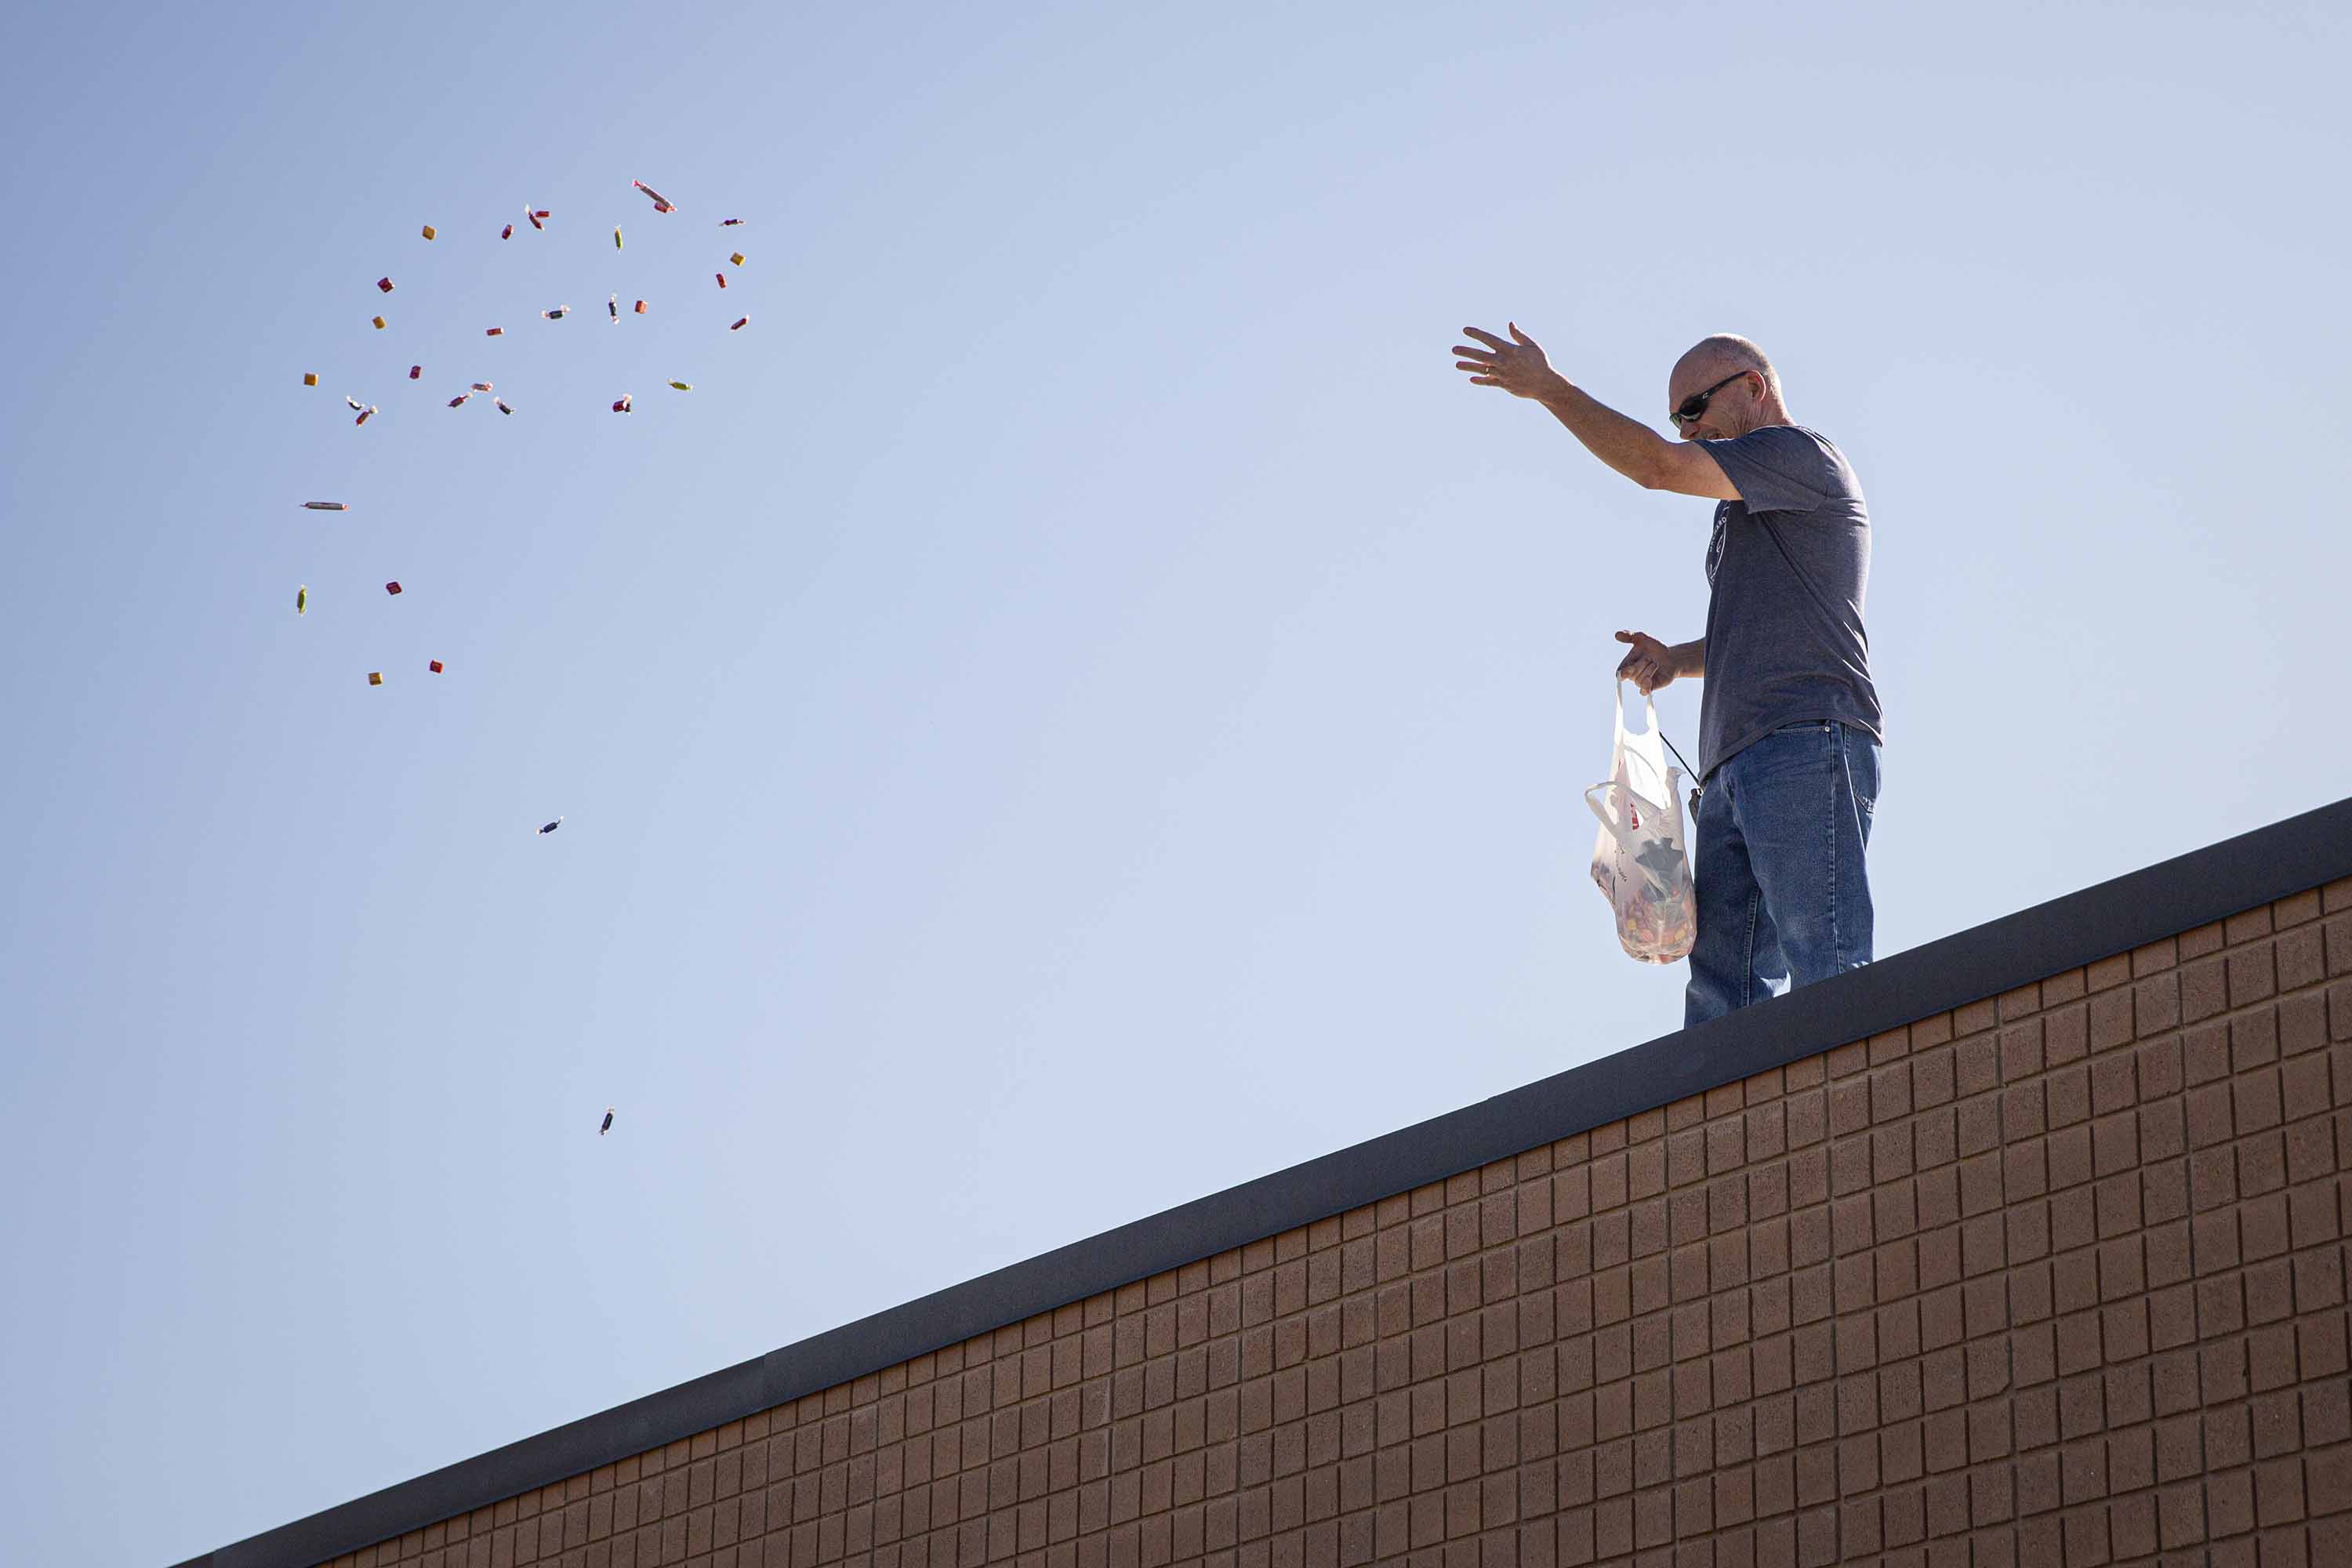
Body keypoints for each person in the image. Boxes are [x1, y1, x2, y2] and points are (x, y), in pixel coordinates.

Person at [1451, 325, 1882, 1025]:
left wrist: (1549, 389)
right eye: (1677, 418)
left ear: (1753, 388)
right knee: (1721, 993)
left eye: (1694, 409)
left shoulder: (1798, 457)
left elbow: (1655, 466)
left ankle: (1858, 1120)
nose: (1687, 429)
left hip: (1804, 740)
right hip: (1734, 764)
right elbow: (1771, 623)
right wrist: (1677, 661)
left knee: (1824, 962)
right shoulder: (1747, 502)